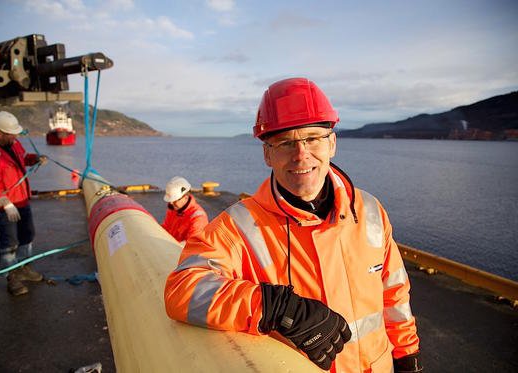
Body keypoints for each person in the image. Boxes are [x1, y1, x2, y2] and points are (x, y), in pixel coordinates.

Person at [164, 78, 422, 372]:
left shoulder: (370, 211)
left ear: (332, 144)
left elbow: (395, 293)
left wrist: (406, 355)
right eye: (286, 142)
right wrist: (276, 307)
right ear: (267, 154)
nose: (301, 154)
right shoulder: (237, 228)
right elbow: (182, 291)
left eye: (313, 138)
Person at [0, 111, 48, 296]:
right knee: (10, 242)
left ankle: (24, 268)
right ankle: (12, 277)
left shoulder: (13, 143)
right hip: (4, 206)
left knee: (27, 234)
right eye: (11, 133)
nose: (15, 136)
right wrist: (3, 202)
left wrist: (34, 159)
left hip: (22, 200)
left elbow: (21, 158)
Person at [161, 176, 209, 244]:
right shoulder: (173, 209)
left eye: (174, 200)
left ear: (185, 197)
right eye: (170, 200)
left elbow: (193, 245)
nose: (171, 203)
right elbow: (166, 228)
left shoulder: (199, 218)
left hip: (181, 252)